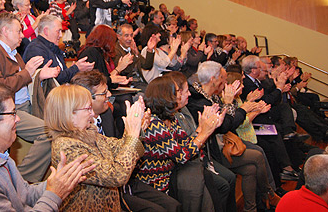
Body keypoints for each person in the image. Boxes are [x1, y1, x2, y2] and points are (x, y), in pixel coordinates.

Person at [0, 81, 95, 211]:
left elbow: (25, 194)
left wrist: (57, 182)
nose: (18, 119)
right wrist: (54, 193)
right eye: (12, 113)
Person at [71, 70, 182, 212]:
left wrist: (139, 129)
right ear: (87, 98)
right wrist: (133, 133)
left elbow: (118, 148)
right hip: (105, 192)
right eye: (104, 93)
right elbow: (114, 173)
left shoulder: (105, 115)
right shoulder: (77, 134)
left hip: (125, 181)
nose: (109, 95)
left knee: (174, 206)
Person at [187, 61, 281, 211]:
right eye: (223, 79)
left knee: (250, 169)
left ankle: (252, 208)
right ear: (213, 79)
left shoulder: (211, 96)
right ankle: (269, 194)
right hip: (214, 152)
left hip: (222, 144)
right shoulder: (199, 101)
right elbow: (225, 126)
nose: (225, 83)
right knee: (257, 155)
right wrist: (240, 107)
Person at [0, 12, 60, 183]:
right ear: (5, 31)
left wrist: (38, 74)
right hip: (9, 110)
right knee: (49, 132)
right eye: (18, 31)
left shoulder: (13, 52)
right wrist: (28, 73)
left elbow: (24, 79)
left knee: (63, 123)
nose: (22, 35)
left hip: (27, 104)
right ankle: (22, 181)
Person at [44, 83, 146, 211]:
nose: (92, 113)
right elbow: (116, 175)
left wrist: (136, 128)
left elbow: (119, 148)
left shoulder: (88, 133)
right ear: (69, 114)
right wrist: (132, 133)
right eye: (88, 109)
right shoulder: (65, 147)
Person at [138, 75, 223, 212]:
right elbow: (182, 156)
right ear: (166, 95)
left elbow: (186, 145)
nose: (184, 94)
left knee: (203, 178)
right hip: (159, 183)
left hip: (173, 173)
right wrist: (204, 133)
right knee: (198, 180)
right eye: (177, 91)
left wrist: (201, 129)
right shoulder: (153, 124)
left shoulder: (170, 118)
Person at [23, 15, 94, 84]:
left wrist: (73, 69)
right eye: (58, 31)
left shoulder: (52, 47)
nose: (60, 35)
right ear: (46, 31)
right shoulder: (35, 49)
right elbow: (53, 79)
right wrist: (76, 68)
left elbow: (62, 74)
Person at [114, 23, 158, 90]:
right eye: (126, 36)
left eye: (131, 35)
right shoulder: (115, 50)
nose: (130, 38)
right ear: (119, 36)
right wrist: (134, 55)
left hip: (140, 82)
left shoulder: (132, 48)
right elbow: (124, 71)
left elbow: (147, 66)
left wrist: (148, 49)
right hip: (127, 84)